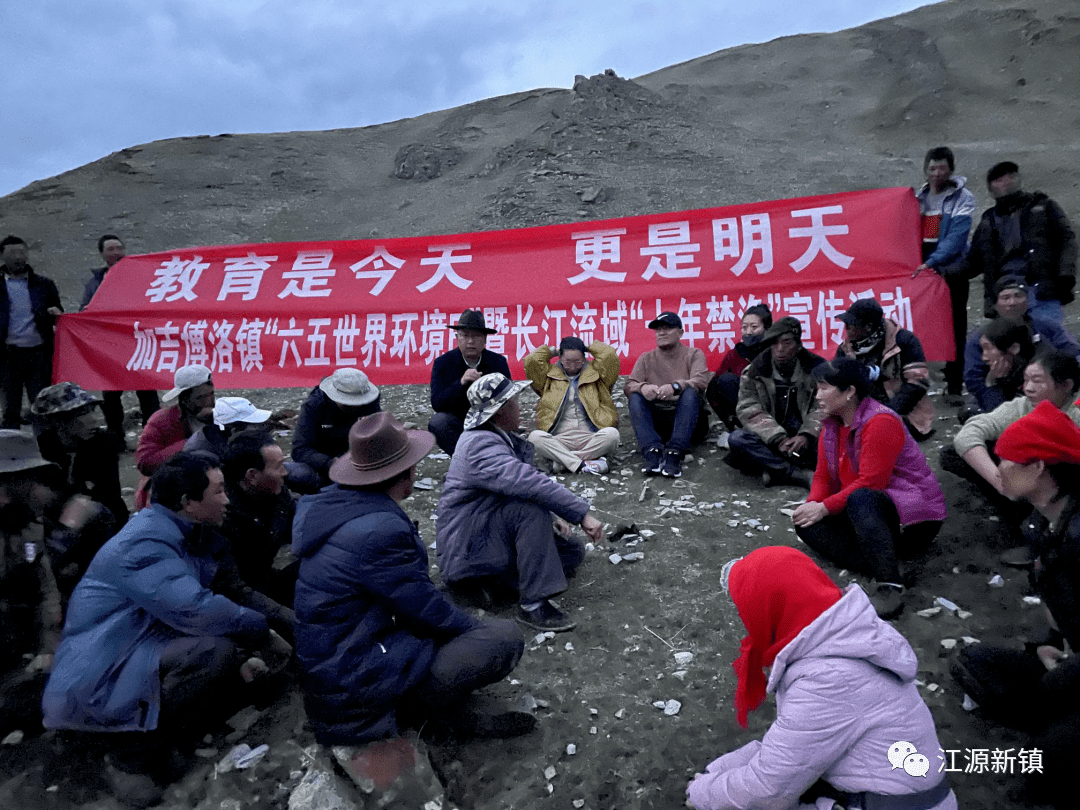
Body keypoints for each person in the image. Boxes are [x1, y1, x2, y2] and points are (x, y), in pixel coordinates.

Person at [42, 453, 287, 807]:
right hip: (97, 670)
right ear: (188, 503)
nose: (227, 499)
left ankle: (156, 738)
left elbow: (221, 594)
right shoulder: (146, 544)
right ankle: (128, 754)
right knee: (211, 654)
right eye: (218, 492)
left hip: (133, 644)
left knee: (242, 669)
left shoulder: (187, 532)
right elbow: (198, 609)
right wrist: (261, 631)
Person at [292, 412, 533, 746]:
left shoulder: (333, 505)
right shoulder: (379, 530)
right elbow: (424, 609)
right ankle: (422, 715)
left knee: (457, 611)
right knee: (501, 637)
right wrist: (474, 630)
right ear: (404, 474)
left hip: (340, 663)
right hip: (355, 685)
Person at [686, 546, 955, 810]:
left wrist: (700, 793)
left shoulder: (828, 680)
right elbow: (791, 751)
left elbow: (767, 789)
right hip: (895, 792)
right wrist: (716, 772)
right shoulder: (845, 635)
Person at [950, 400, 1080, 809]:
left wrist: (1066, 671)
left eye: (1007, 460)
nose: (998, 467)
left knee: (1040, 771)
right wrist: (1049, 644)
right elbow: (1057, 602)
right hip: (1070, 658)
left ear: (1039, 467)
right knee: (974, 662)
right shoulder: (1043, 521)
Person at [436, 373, 604, 633]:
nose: (520, 406)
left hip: (487, 533)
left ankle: (492, 587)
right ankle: (532, 605)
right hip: (468, 546)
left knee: (570, 552)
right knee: (529, 511)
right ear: (500, 411)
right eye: (514, 401)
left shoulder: (498, 437)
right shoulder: (480, 445)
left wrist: (554, 519)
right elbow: (529, 483)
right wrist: (581, 514)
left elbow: (519, 486)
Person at [793, 358, 946, 619]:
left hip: (912, 517)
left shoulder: (880, 421)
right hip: (868, 511)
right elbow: (822, 476)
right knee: (806, 522)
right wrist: (813, 505)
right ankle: (888, 565)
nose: (817, 396)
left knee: (861, 498)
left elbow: (873, 482)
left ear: (849, 391)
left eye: (824, 388)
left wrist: (824, 507)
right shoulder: (832, 423)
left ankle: (889, 584)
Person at [942, 348, 1080, 565]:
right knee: (954, 454)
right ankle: (1022, 518)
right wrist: (1000, 481)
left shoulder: (1076, 414)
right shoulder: (1022, 406)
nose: (1029, 388)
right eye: (1026, 380)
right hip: (1032, 482)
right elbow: (969, 434)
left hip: (1065, 491)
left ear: (1066, 385)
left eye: (1037, 381)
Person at [30, 383, 129, 599]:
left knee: (83, 507)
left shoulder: (103, 445)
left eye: (91, 411)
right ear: (58, 421)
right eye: (82, 414)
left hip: (102, 525)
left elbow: (106, 495)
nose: (93, 419)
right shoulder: (42, 451)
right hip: (54, 528)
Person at [0, 430, 62, 739]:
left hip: (18, 644)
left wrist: (47, 647)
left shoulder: (27, 525)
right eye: (30, 478)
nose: (38, 488)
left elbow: (44, 588)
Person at [967, 161, 1076, 324]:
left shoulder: (1044, 206)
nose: (1006, 182)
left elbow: (1068, 240)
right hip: (1005, 295)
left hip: (1041, 291)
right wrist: (939, 272)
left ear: (1018, 179)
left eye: (1010, 176)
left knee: (1049, 343)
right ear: (991, 189)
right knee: (1009, 345)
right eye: (999, 179)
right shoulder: (988, 220)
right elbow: (973, 262)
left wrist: (1066, 275)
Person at [727, 316, 825, 489]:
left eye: (787, 343)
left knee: (832, 438)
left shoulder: (817, 369)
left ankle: (773, 469)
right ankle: (794, 473)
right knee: (737, 439)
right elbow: (748, 408)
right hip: (772, 438)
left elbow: (823, 406)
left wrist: (807, 434)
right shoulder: (755, 371)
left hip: (805, 438)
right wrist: (778, 439)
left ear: (798, 345)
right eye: (774, 343)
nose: (780, 349)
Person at [961, 275, 1080, 417]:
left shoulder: (1046, 326)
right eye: (1005, 298)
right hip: (999, 390)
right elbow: (974, 379)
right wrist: (1000, 407)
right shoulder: (981, 337)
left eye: (1018, 296)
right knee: (970, 413)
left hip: (1046, 386)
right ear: (996, 304)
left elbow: (1072, 351)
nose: (1012, 302)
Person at [80, 235, 160, 441]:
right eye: (110, 249)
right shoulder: (95, 282)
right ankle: (116, 437)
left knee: (147, 391)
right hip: (110, 347)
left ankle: (153, 436)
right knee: (111, 394)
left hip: (138, 342)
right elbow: (83, 310)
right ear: (102, 254)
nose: (116, 252)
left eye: (119, 248)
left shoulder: (140, 276)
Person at [914, 146, 976, 401]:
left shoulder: (963, 198)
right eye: (932, 168)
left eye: (942, 168)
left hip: (950, 270)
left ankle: (953, 386)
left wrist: (933, 262)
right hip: (923, 270)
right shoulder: (918, 198)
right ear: (925, 170)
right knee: (920, 324)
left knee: (955, 327)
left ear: (951, 169)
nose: (937, 173)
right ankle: (917, 382)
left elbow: (956, 238)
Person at [624, 311, 710, 478]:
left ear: (681, 332)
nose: (661, 333)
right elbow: (629, 385)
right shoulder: (646, 358)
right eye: (658, 330)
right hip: (660, 421)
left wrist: (676, 386)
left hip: (689, 421)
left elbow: (701, 381)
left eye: (667, 328)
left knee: (690, 393)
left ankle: (675, 452)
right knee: (635, 396)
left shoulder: (694, 354)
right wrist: (643, 388)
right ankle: (652, 451)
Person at [835, 297, 935, 440]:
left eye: (850, 325)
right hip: (861, 413)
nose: (846, 329)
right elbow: (837, 385)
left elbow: (918, 383)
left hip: (904, 414)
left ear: (868, 327)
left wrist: (886, 414)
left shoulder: (903, 341)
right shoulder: (846, 349)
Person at [220, 430, 297, 610]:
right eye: (279, 467)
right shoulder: (221, 515)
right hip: (237, 601)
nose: (285, 472)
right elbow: (233, 589)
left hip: (265, 578)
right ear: (252, 476)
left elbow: (301, 526)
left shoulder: (276, 492)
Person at [523, 336, 620, 474]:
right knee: (534, 438)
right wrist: (552, 351)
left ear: (584, 358)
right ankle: (587, 463)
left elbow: (610, 356)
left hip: (590, 436)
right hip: (560, 438)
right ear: (560, 358)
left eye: (577, 361)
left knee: (612, 435)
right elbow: (531, 361)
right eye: (568, 361)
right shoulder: (548, 376)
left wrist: (587, 347)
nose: (572, 366)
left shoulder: (596, 374)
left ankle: (564, 463)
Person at [0, 235, 63, 429]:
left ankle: (47, 452)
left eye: (21, 252)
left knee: (42, 405)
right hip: (7, 355)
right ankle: (12, 454)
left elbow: (57, 312)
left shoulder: (44, 284)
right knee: (11, 408)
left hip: (38, 352)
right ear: (2, 256)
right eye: (12, 253)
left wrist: (55, 313)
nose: (18, 257)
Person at [428, 309, 511, 455]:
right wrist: (460, 383)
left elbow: (509, 399)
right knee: (438, 423)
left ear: (485, 339)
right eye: (465, 336)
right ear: (457, 337)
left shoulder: (497, 362)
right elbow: (437, 403)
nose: (470, 341)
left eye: (476, 336)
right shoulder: (443, 363)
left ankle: (494, 458)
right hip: (459, 424)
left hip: (490, 423)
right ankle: (464, 460)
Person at [134, 363, 215, 508]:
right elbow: (145, 462)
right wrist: (192, 442)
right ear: (184, 400)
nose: (210, 402)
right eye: (201, 398)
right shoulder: (161, 421)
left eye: (211, 394)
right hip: (173, 491)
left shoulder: (221, 415)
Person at [291, 367, 381, 489]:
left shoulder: (370, 403)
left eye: (358, 403)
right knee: (298, 473)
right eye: (348, 404)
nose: (354, 407)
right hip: (323, 463)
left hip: (359, 462)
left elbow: (379, 434)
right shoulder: (315, 405)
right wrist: (331, 463)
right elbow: (300, 449)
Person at [705, 304, 772, 441]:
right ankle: (739, 427)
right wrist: (727, 418)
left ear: (767, 328)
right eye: (744, 327)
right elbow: (713, 388)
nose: (748, 332)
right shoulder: (735, 354)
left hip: (770, 409)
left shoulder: (776, 351)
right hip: (743, 412)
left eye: (754, 327)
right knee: (724, 381)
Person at [961, 318, 1035, 420]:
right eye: (983, 349)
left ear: (1014, 348)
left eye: (988, 348)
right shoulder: (1007, 371)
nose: (984, 357)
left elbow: (1002, 418)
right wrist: (993, 382)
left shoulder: (1036, 374)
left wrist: (993, 384)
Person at [185, 395, 272, 462]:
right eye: (253, 424)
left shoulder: (220, 437)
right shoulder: (205, 457)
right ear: (235, 430)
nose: (257, 428)